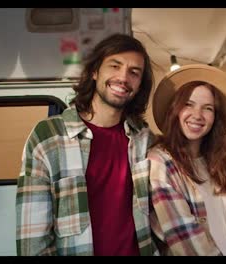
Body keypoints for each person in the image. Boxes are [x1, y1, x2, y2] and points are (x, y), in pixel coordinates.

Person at [16, 33, 158, 256]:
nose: (123, 78)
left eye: (134, 72)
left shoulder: (145, 139)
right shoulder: (48, 137)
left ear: (140, 85)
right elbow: (32, 238)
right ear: (94, 72)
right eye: (115, 65)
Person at [148, 64, 226, 256]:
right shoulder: (161, 162)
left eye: (207, 108)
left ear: (215, 117)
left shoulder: (223, 166)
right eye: (188, 104)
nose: (197, 115)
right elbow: (184, 239)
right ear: (175, 110)